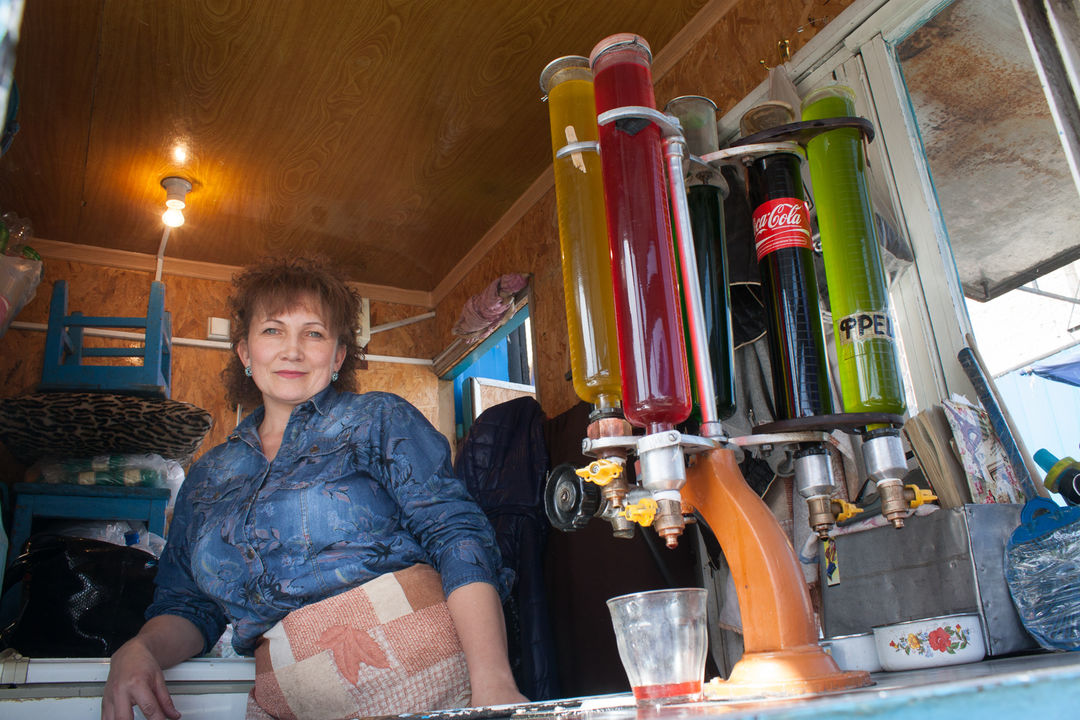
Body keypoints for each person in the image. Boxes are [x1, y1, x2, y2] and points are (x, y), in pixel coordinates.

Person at [103, 257, 527, 720]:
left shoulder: (377, 421)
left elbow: (457, 537)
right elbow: (188, 606)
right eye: (272, 331)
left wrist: (494, 682)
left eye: (314, 333)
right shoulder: (208, 476)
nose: (293, 350)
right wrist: (140, 648)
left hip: (433, 684)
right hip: (291, 701)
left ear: (338, 355)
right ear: (245, 353)